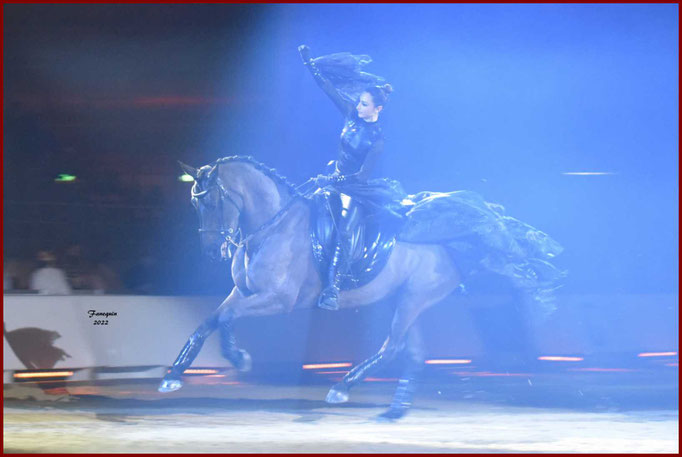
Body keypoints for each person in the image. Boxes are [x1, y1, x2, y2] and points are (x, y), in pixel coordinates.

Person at [298, 45, 406, 311]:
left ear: (377, 108)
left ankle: (333, 288)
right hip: (335, 179)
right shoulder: (350, 114)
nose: (358, 106)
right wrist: (310, 64)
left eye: (364, 104)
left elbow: (361, 175)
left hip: (357, 189)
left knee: (345, 230)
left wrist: (334, 182)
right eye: (359, 101)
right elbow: (328, 90)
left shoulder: (377, 139)